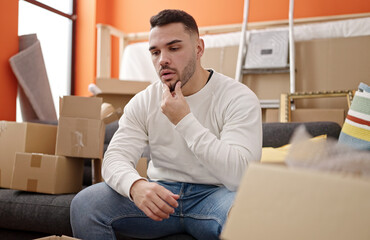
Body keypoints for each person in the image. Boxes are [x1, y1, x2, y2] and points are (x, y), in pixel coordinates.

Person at [70, 9, 262, 240]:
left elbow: (240, 175)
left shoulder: (237, 97)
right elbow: (115, 157)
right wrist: (135, 186)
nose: (163, 60)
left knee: (248, 217)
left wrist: (183, 120)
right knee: (85, 204)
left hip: (216, 196)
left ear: (199, 48)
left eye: (174, 48)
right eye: (155, 52)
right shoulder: (144, 101)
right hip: (162, 193)